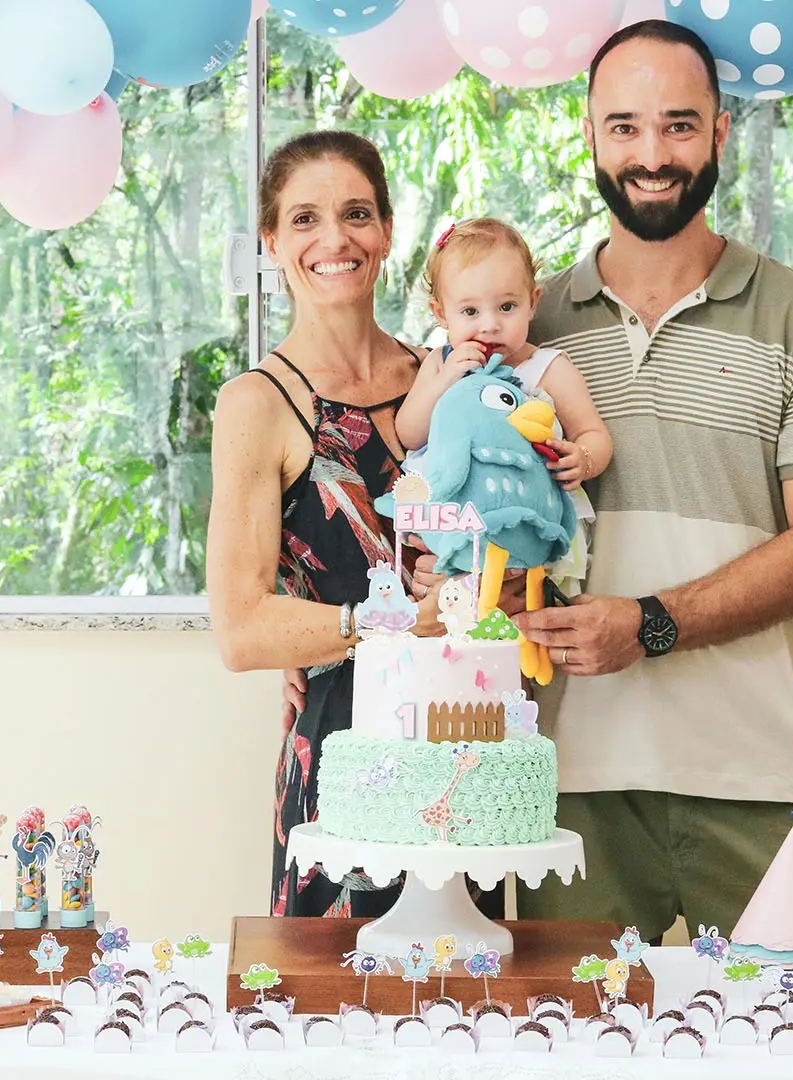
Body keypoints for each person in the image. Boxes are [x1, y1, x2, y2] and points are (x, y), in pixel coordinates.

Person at [511, 21, 793, 939]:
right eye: (625, 127)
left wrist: (651, 622)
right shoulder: (526, 331)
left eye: (678, 125)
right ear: (589, 136)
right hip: (568, 787)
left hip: (758, 776)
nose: (651, 155)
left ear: (718, 133)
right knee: (570, 1056)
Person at [207, 130, 445, 918]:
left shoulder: (449, 385)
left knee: (471, 1011)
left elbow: (506, 553)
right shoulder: (257, 405)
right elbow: (242, 631)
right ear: (272, 242)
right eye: (304, 219)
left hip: (461, 741)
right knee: (330, 1018)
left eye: (355, 214)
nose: (334, 239)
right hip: (340, 748)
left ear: (385, 230)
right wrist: (399, 624)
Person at [395, 217, 614, 598]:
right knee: (449, 607)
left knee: (533, 614)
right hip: (458, 522)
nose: (490, 325)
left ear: (533, 302)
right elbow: (408, 433)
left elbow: (594, 433)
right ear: (440, 313)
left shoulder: (548, 369)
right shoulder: (439, 363)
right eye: (469, 312)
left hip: (529, 525)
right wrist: (446, 379)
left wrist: (583, 458)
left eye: (507, 306)